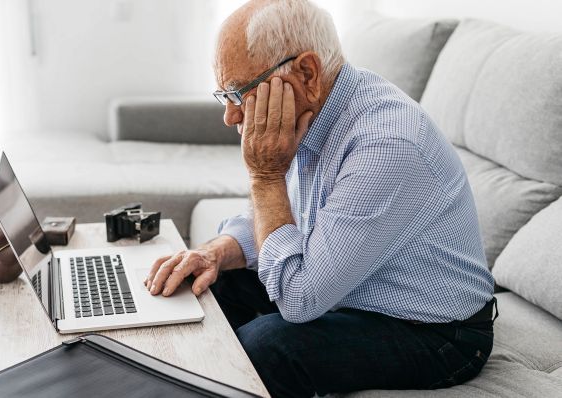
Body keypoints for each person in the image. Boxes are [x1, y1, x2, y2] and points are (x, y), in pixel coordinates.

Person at [144, 0, 497, 396]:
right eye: (222, 94)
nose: (230, 115)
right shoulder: (318, 108)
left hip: (436, 332)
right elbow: (283, 216)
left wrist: (265, 175)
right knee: (211, 282)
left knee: (267, 348)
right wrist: (217, 251)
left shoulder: (386, 144)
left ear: (307, 72)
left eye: (238, 92)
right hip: (346, 282)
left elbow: (300, 299)